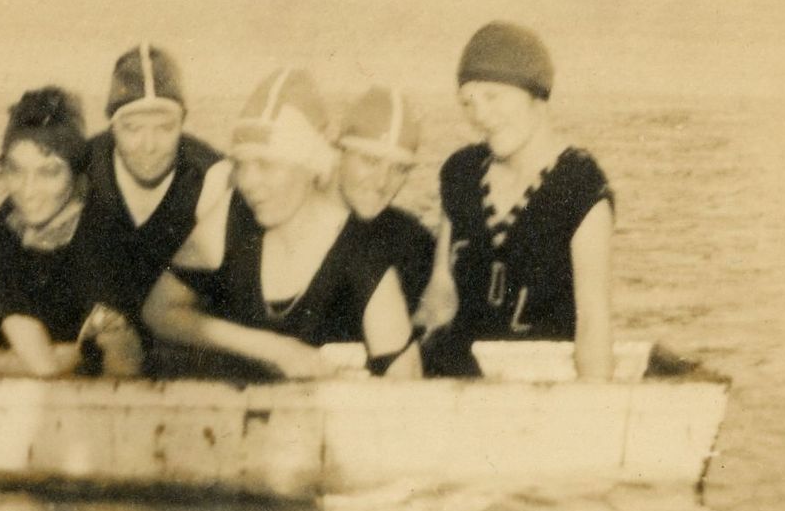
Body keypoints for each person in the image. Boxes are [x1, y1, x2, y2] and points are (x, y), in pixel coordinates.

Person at [144, 69, 418, 380]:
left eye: (266, 164)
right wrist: (275, 349)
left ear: (311, 165)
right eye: (242, 164)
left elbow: (407, 388)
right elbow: (158, 311)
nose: (248, 181)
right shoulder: (232, 213)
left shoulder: (363, 254)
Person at [420, 23, 616, 381]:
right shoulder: (461, 173)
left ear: (536, 95)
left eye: (492, 96)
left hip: (544, 384)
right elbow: (440, 292)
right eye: (468, 102)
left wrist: (595, 404)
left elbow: (592, 320)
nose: (480, 114)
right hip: (456, 379)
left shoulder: (581, 185)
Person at [0, 86, 142, 378]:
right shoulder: (4, 225)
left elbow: (121, 357)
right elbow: (18, 325)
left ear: (76, 174)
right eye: (15, 170)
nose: (28, 191)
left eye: (49, 172)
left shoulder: (103, 236)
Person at [75, 44, 223, 334]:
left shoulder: (210, 175)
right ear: (113, 126)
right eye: (133, 128)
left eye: (165, 128)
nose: (149, 145)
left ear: (182, 124)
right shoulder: (82, 165)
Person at [335, 84, 440, 318]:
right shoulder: (289, 223)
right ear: (339, 152)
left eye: (399, 169)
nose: (382, 182)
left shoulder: (414, 244)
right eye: (371, 161)